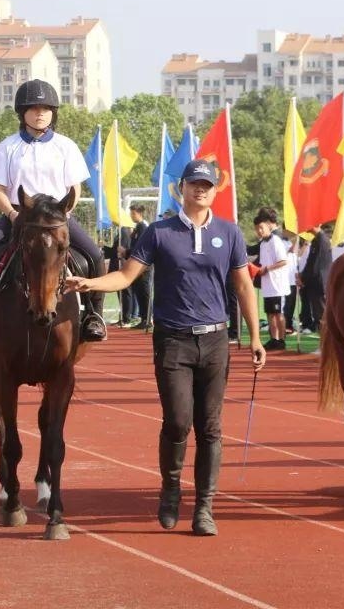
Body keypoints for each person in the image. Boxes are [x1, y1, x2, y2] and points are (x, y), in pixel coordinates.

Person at [66, 159, 266, 536]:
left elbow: (242, 287)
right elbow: (126, 276)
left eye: (207, 184)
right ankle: (170, 489)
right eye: (194, 183)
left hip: (216, 339)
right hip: (173, 339)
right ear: (182, 189)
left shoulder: (230, 233)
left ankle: (204, 507)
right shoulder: (159, 232)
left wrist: (254, 337)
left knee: (210, 427)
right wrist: (90, 284)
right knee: (178, 422)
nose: (200, 190)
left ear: (215, 190)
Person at [0, 79, 106, 341]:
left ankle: (94, 316)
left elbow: (74, 188)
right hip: (20, 214)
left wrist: (64, 214)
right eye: (33, 108)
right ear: (22, 112)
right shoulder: (6, 147)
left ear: (53, 112)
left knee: (94, 254)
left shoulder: (66, 146)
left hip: (56, 216)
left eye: (46, 108)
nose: (40, 113)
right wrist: (13, 215)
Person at [254, 207, 289, 350]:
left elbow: (283, 261)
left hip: (278, 285)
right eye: (257, 229)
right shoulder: (263, 243)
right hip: (267, 285)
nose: (259, 231)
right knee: (269, 313)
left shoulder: (276, 241)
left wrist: (267, 269)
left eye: (261, 228)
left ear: (268, 225)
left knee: (278, 313)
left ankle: (281, 338)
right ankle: (273, 338)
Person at [128, 203, 153, 329]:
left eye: (133, 213)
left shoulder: (144, 227)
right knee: (138, 291)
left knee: (144, 291)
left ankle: (148, 319)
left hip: (144, 266)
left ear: (140, 213)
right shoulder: (138, 227)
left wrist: (126, 251)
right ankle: (143, 317)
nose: (131, 216)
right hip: (136, 266)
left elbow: (141, 247)